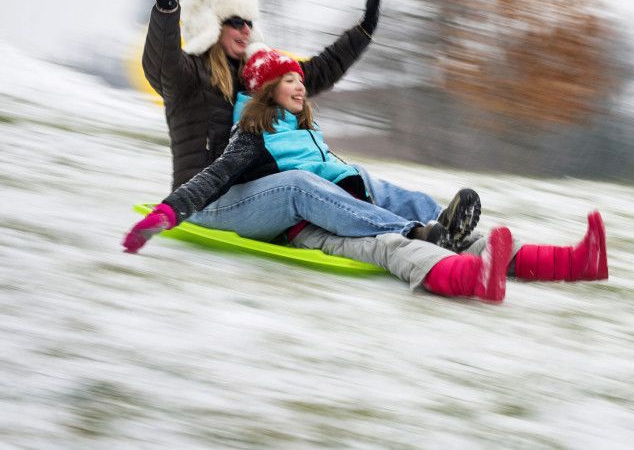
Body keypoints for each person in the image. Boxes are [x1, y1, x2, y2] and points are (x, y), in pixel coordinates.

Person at [123, 47, 609, 300]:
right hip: (305, 223)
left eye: (300, 80)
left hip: (347, 207)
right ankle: (443, 251)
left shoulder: (305, 129)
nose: (300, 87)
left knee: (376, 182)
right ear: (267, 90)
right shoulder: (252, 133)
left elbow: (343, 178)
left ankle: (572, 261)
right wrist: (167, 212)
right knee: (387, 242)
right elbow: (214, 178)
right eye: (289, 80)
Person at [134, 0, 479, 244]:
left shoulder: (254, 73)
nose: (246, 29)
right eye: (236, 21)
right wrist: (166, 9)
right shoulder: (188, 75)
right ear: (213, 24)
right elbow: (161, 64)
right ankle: (412, 234)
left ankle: (446, 222)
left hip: (252, 192)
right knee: (297, 184)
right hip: (203, 202)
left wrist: (364, 30)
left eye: (249, 22)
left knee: (354, 174)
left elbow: (314, 72)